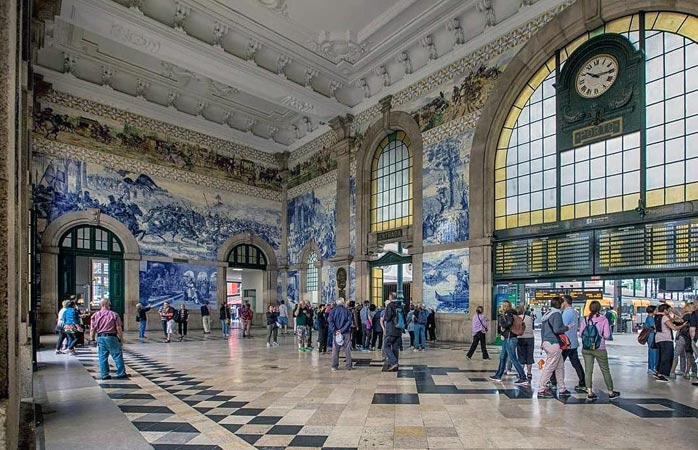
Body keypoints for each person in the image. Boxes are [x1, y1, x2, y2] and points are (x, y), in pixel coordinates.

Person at [578, 300, 620, 399]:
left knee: (588, 370)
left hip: (586, 348)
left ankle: (589, 392)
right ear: (599, 309)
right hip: (599, 348)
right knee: (605, 370)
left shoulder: (585, 319)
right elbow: (606, 335)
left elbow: (580, 334)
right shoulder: (603, 320)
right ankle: (610, 392)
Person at [489, 300, 529, 385]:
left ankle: (523, 377)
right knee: (502, 357)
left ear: (506, 306)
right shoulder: (513, 313)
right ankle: (498, 375)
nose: (502, 307)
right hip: (508, 337)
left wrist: (503, 325)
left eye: (503, 305)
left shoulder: (509, 313)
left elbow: (509, 323)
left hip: (510, 338)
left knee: (513, 358)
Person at [551, 295, 586, 392]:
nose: (561, 304)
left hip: (565, 343)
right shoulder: (574, 312)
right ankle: (583, 382)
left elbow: (561, 326)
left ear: (565, 302)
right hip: (573, 342)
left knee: (557, 363)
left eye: (562, 302)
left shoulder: (567, 313)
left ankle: (553, 381)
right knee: (576, 363)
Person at [537, 297, 569, 398]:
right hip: (554, 343)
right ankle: (541, 389)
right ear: (559, 304)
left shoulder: (547, 313)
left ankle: (562, 388)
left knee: (559, 366)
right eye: (563, 303)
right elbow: (557, 329)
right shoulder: (557, 314)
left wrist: (543, 342)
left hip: (547, 342)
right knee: (549, 367)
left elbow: (543, 330)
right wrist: (567, 327)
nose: (564, 304)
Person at [89, 299, 127, 380]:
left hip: (100, 337)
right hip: (112, 337)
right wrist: (121, 338)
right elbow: (118, 328)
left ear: (100, 305)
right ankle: (121, 373)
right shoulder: (114, 314)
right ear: (109, 304)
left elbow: (92, 329)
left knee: (102, 357)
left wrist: (92, 339)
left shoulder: (95, 315)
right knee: (117, 355)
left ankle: (104, 374)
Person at [654, 303, 687, 381]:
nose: (669, 311)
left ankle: (658, 373)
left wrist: (673, 318)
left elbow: (670, 321)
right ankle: (662, 375)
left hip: (659, 339)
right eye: (668, 310)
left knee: (662, 356)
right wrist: (683, 325)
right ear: (665, 310)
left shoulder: (657, 316)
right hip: (666, 339)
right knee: (667, 357)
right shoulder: (665, 317)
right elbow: (674, 328)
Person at [328, 298, 353, 371]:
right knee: (347, 349)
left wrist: (335, 330)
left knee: (335, 350)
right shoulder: (347, 311)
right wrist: (342, 330)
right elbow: (349, 322)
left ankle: (334, 366)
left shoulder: (332, 311)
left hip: (336, 333)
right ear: (343, 303)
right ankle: (349, 366)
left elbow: (330, 321)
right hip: (346, 332)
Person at [671, 304, 694, 378]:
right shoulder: (694, 316)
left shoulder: (686, 315)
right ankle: (687, 373)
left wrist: (673, 321)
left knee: (675, 354)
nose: (683, 308)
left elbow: (679, 323)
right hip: (691, 338)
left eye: (684, 307)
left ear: (687, 308)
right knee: (689, 356)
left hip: (682, 337)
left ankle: (672, 372)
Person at [382, 295, 402, 372]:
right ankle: (395, 365)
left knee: (386, 345)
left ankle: (394, 363)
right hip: (398, 330)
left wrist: (385, 317)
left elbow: (388, 317)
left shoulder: (390, 305)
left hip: (391, 330)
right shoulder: (400, 305)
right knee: (395, 348)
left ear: (391, 297)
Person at [516, 305, 535, 380]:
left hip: (520, 338)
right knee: (529, 356)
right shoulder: (529, 318)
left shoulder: (516, 319)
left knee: (521, 356)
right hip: (530, 338)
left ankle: (521, 372)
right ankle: (529, 373)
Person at [643, 305, 659, 375]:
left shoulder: (650, 318)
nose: (657, 311)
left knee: (653, 352)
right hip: (651, 337)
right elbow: (654, 328)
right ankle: (651, 368)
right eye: (656, 310)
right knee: (652, 352)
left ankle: (652, 367)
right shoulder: (650, 318)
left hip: (651, 336)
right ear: (652, 311)